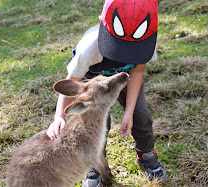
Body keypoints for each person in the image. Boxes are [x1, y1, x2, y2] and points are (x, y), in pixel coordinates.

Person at [46, 0, 167, 186]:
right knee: (94, 125)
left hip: (124, 80)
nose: (124, 53)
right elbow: (71, 83)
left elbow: (138, 72)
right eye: (118, 46)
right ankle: (95, 168)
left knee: (141, 116)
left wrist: (129, 111)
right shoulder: (90, 47)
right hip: (94, 83)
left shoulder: (145, 40)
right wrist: (59, 116)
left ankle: (146, 154)